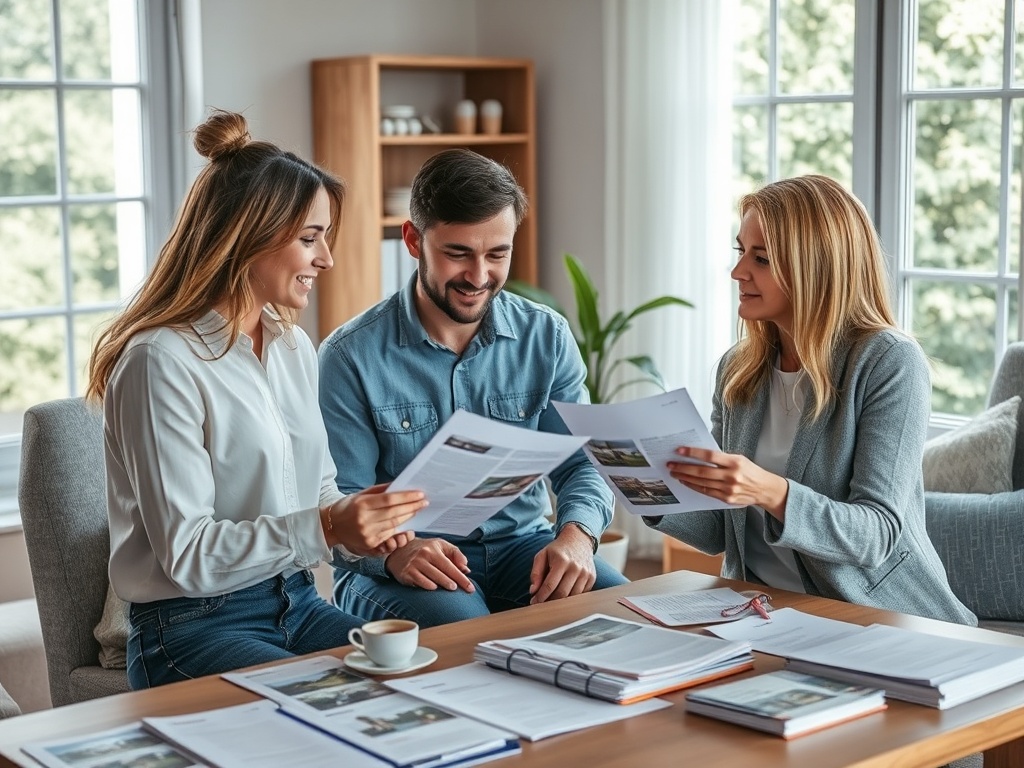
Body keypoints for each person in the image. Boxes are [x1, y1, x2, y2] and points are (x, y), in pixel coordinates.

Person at [86, 110, 428, 688]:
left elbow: (315, 487)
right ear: (248, 236)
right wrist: (327, 525)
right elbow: (188, 554)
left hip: (296, 602)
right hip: (191, 627)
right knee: (339, 710)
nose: (327, 259)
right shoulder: (159, 363)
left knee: (417, 687)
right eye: (310, 238)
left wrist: (367, 519)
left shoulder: (293, 346)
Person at [318, 148, 628, 628]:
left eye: (497, 254)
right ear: (413, 240)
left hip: (521, 546)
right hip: (401, 561)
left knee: (625, 617)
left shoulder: (545, 336)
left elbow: (580, 462)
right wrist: (395, 555)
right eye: (458, 253)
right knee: (469, 636)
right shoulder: (348, 356)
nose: (479, 276)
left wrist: (577, 537)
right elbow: (341, 502)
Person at [650, 174, 975, 625]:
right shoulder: (737, 370)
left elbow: (875, 534)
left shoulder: (888, 363)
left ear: (815, 267)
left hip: (876, 620)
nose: (738, 272)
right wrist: (644, 487)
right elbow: (720, 531)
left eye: (760, 258)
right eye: (740, 251)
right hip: (763, 615)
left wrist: (770, 490)